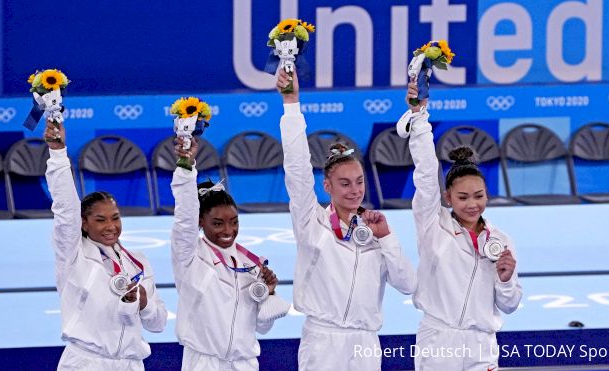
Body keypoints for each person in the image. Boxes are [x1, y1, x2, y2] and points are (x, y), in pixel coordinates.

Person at [276, 69, 417, 370]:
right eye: (345, 183)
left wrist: (387, 238)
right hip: (323, 342)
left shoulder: (375, 227)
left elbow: (408, 284)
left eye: (359, 181)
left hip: (366, 343)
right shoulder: (310, 222)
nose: (355, 191)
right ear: (327, 186)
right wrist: (291, 103)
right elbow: (297, 169)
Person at [397, 81, 522, 370]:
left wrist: (505, 280)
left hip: (483, 346)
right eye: (462, 197)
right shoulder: (433, 224)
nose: (471, 204)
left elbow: (511, 304)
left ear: (487, 195)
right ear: (447, 197)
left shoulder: (501, 239)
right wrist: (420, 119)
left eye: (478, 196)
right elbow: (426, 175)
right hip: (439, 342)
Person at [43, 119, 167, 370]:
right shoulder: (73, 255)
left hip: (131, 363)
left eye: (115, 218)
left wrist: (144, 303)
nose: (111, 226)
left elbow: (159, 324)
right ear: (84, 224)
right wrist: (57, 153)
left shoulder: (139, 262)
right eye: (100, 220)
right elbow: (65, 209)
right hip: (85, 363)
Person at [170, 137, 291, 371]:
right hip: (204, 363)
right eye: (217, 223)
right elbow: (183, 217)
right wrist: (186, 166)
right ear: (200, 222)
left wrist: (269, 294)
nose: (228, 231)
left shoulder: (252, 264)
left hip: (245, 364)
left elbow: (262, 327)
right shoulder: (189, 256)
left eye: (234, 222)